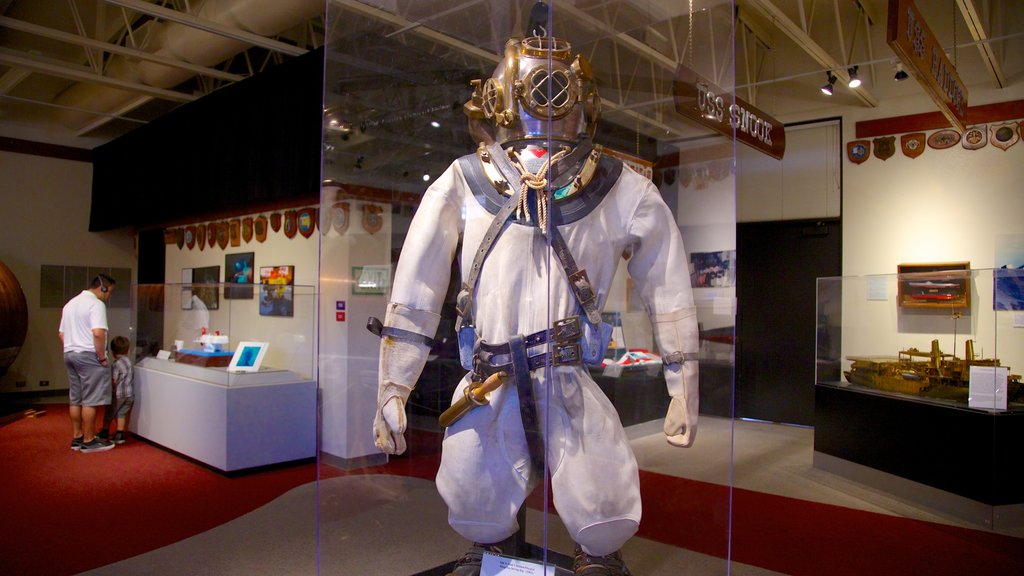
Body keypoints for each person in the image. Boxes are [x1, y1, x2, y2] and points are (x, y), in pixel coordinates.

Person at [370, 22, 698, 576]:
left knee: (603, 511)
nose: (546, 106)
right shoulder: (464, 182)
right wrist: (393, 383)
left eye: (558, 90)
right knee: (475, 503)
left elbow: (668, 286)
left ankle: (595, 557)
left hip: (567, 378)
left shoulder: (621, 188)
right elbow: (416, 289)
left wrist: (682, 386)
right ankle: (494, 549)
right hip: (486, 383)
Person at [59, 274, 116, 453]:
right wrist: (101, 357)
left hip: (69, 353)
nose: (109, 297)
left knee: (76, 398)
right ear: (103, 288)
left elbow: (61, 333)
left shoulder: (70, 304)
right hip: (89, 355)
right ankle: (89, 440)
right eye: (109, 292)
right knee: (90, 400)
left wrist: (72, 347)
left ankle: (77, 437)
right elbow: (98, 333)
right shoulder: (96, 304)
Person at [98, 336, 134, 445]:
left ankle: (104, 431)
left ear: (113, 352)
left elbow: (114, 380)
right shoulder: (129, 362)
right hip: (129, 394)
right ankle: (119, 434)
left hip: (118, 394)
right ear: (127, 350)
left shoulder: (116, 364)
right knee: (121, 413)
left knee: (109, 412)